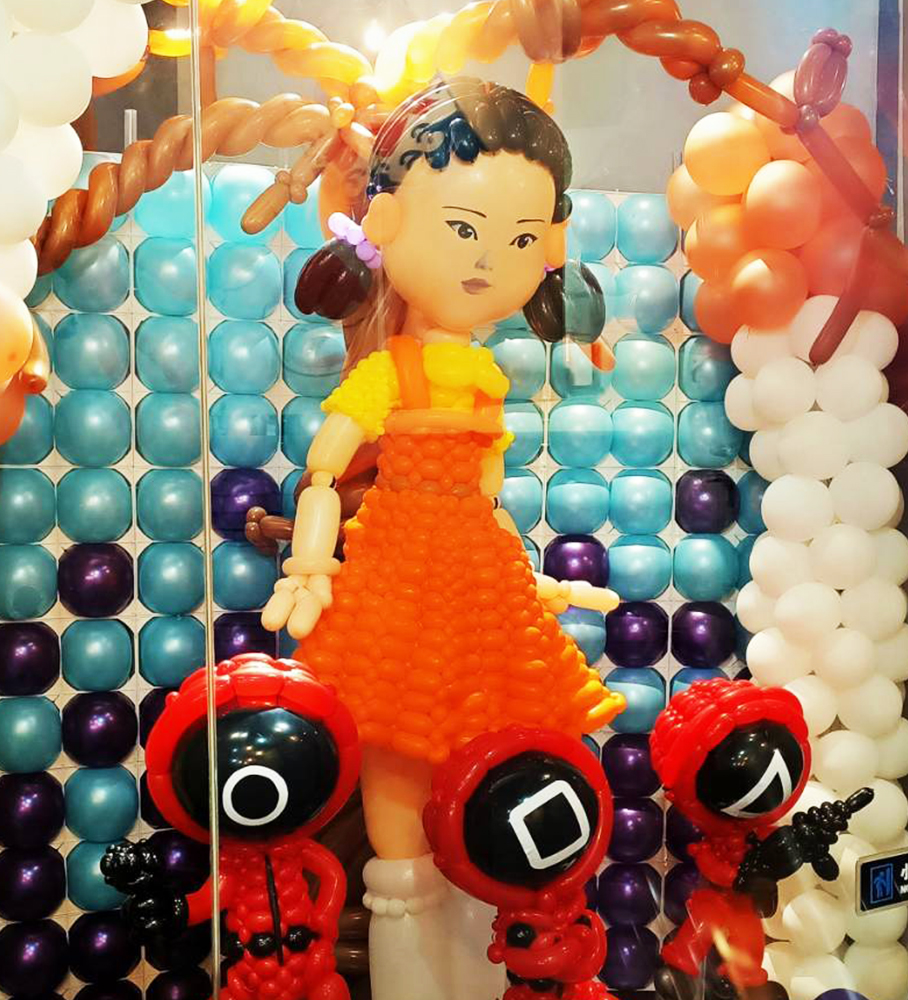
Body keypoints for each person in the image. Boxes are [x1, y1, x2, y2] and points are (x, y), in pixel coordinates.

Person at [263, 78, 624, 1000]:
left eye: (518, 240)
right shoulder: (392, 370)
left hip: (478, 589)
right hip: (397, 580)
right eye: (464, 228)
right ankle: (409, 963)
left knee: (487, 769)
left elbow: (490, 500)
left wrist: (530, 582)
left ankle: (481, 956)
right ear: (385, 220)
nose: (488, 259)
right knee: (395, 770)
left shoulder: (486, 380)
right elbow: (324, 470)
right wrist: (311, 563)